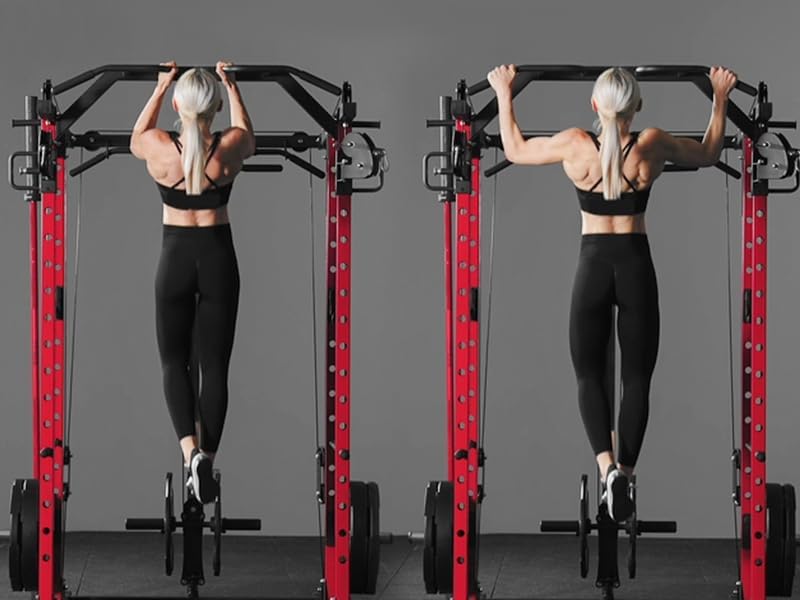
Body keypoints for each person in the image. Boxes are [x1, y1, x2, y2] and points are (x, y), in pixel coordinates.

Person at [487, 64, 738, 521]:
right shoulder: (651, 145)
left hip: (592, 268)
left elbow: (516, 149)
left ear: (594, 106)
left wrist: (505, 93)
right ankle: (627, 471)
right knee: (636, 379)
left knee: (588, 376)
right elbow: (707, 152)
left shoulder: (575, 146)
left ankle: (607, 471)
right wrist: (719, 97)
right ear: (638, 106)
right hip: (635, 265)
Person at [130, 61, 256, 503]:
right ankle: (209, 461)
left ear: (180, 105)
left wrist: (162, 87)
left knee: (173, 362)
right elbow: (247, 131)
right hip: (218, 255)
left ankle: (191, 456)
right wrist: (231, 85)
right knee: (215, 366)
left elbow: (135, 138)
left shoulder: (160, 150)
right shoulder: (230, 148)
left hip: (176, 258)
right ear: (216, 108)